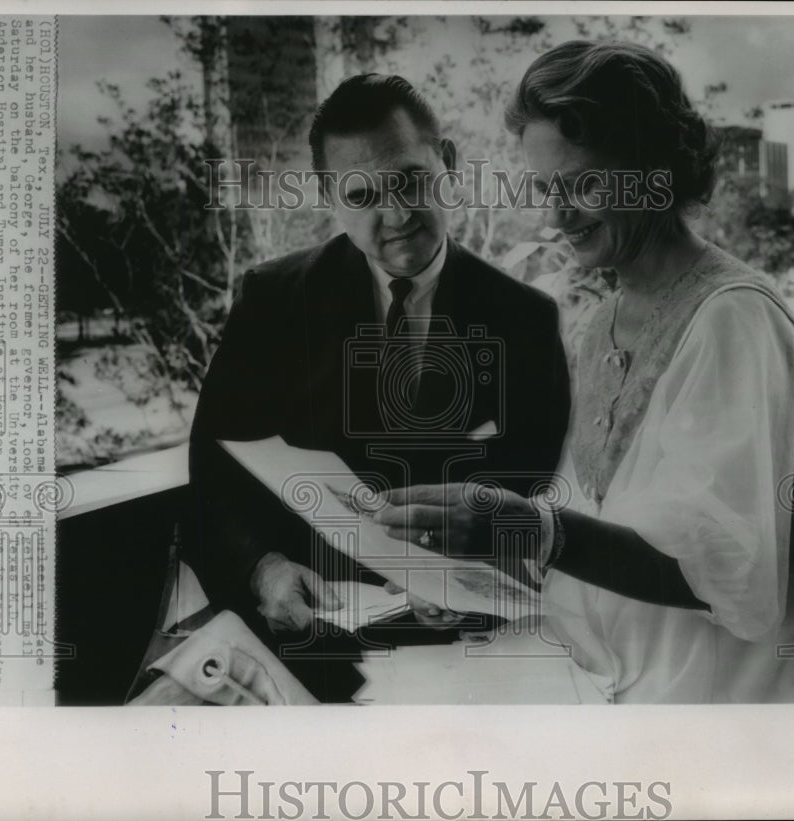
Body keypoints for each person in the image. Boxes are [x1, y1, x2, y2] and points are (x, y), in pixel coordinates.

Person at [376, 41, 794, 703]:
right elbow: (602, 524)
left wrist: (528, 528)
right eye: (545, 190)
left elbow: (727, 577)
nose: (557, 216)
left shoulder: (735, 322)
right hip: (620, 673)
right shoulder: (600, 321)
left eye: (582, 184)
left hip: (733, 707)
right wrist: (473, 561)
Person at [184, 74, 571, 700]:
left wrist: (465, 571)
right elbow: (215, 471)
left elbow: (522, 486)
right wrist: (263, 570)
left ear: (445, 164)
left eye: (411, 181)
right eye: (362, 195)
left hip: (461, 653)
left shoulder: (525, 318)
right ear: (328, 195)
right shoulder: (271, 301)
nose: (396, 216)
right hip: (305, 644)